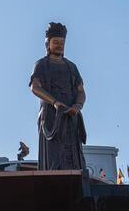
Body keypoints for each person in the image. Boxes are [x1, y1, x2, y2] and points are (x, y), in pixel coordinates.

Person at [29, 22, 87, 171]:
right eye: (56, 42)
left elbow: (80, 91)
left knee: (73, 156)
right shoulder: (41, 65)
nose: (60, 45)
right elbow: (35, 87)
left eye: (62, 43)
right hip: (51, 117)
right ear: (48, 43)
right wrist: (54, 102)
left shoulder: (71, 67)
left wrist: (77, 106)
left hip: (70, 115)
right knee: (54, 157)